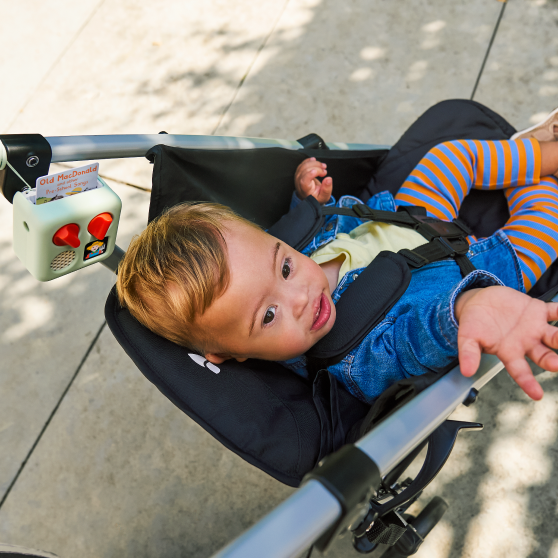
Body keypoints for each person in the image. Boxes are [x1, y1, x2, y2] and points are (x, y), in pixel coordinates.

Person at [117, 119, 558, 405]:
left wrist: (306, 199)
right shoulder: (352, 359)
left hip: (406, 216)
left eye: (286, 266)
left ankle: (537, 156)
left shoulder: (262, 263)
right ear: (228, 354)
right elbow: (411, 341)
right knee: (547, 219)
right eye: (268, 315)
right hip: (468, 272)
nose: (300, 298)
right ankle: (534, 172)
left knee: (448, 157)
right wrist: (468, 308)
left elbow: (297, 235)